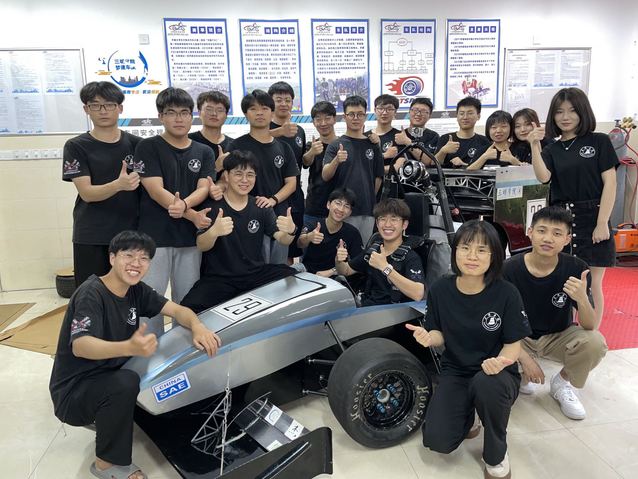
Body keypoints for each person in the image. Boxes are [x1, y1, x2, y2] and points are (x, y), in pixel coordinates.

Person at [49, 231, 221, 479]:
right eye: (128, 255)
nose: (136, 263)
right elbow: (81, 346)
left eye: (143, 258)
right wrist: (128, 348)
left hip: (105, 374)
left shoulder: (136, 291)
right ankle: (106, 465)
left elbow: (178, 310)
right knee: (126, 381)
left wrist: (198, 327)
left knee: (152, 368)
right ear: (112, 258)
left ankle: (111, 415)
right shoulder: (91, 293)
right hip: (73, 391)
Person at [406, 220, 531, 479]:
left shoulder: (507, 293)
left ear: (494, 255)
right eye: (465, 248)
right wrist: (429, 338)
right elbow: (438, 333)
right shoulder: (440, 289)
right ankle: (469, 412)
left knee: (487, 385)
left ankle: (496, 454)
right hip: (456, 371)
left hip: (496, 373)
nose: (472, 256)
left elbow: (513, 344)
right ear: (455, 252)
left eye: (482, 250)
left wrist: (501, 362)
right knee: (437, 440)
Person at [503, 206, 607, 420]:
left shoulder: (576, 268)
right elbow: (498, 322)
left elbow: (589, 326)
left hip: (557, 336)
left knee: (595, 342)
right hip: (520, 338)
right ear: (530, 232)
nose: (548, 238)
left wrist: (582, 299)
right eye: (542, 231)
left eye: (557, 233)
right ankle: (521, 375)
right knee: (488, 340)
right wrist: (525, 359)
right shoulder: (508, 269)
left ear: (567, 239)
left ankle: (562, 382)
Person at [530, 87, 618, 326]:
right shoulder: (552, 148)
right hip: (561, 220)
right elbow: (543, 177)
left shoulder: (599, 141)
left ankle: (592, 331)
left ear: (582, 112)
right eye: (559, 112)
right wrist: (534, 145)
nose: (565, 117)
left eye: (572, 110)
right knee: (561, 277)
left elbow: (610, 183)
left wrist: (602, 222)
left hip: (593, 216)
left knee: (592, 281)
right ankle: (563, 328)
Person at [135, 87, 214, 337]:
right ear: (161, 116)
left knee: (187, 298)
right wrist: (190, 213)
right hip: (154, 237)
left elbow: (204, 187)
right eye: (171, 113)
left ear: (192, 116)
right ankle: (150, 351)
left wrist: (185, 205)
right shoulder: (147, 147)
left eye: (184, 113)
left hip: (189, 238)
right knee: (151, 298)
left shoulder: (204, 151)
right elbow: (155, 189)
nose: (178, 119)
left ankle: (181, 350)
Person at [180, 151, 297, 313]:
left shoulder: (260, 206)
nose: (244, 180)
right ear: (226, 176)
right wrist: (214, 232)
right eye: (238, 174)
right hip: (220, 279)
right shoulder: (212, 207)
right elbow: (201, 245)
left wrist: (291, 231)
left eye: (250, 175)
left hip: (255, 274)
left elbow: (282, 238)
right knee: (188, 308)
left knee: (294, 277)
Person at [62, 81, 142, 287]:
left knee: (129, 293)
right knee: (91, 293)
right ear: (86, 109)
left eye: (109, 104)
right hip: (92, 234)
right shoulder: (76, 146)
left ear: (120, 108)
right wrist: (118, 185)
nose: (103, 111)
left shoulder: (137, 144)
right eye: (95, 105)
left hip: (130, 234)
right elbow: (87, 193)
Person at [228, 90, 299, 264]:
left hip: (279, 218)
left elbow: (291, 183)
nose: (259, 113)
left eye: (265, 108)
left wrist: (273, 200)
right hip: (247, 218)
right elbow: (227, 181)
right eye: (253, 109)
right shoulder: (236, 145)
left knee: (278, 270)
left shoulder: (284, 147)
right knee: (251, 268)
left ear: (272, 113)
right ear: (246, 114)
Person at [335, 198, 425, 305]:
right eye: (382, 219)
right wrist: (339, 260)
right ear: (377, 224)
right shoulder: (373, 250)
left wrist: (385, 267)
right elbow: (345, 271)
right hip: (366, 306)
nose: (387, 224)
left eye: (394, 219)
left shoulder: (411, 257)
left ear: (404, 225)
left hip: (393, 312)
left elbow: (418, 294)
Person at [322, 95, 384, 243]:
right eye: (351, 114)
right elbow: (325, 175)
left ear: (365, 116)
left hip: (367, 210)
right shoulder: (336, 145)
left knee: (363, 249)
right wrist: (336, 160)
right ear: (344, 117)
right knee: (341, 250)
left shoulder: (373, 145)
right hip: (342, 210)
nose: (356, 118)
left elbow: (378, 177)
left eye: (360, 114)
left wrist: (368, 197)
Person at [268, 81, 307, 260]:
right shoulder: (264, 129)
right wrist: (279, 132)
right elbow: (255, 140)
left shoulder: (299, 131)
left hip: (295, 197)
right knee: (270, 249)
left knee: (291, 250)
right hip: (271, 198)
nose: (283, 104)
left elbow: (302, 162)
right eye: (278, 100)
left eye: (288, 100)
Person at [298, 188, 363, 276]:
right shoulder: (314, 224)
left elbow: (358, 262)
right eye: (338, 203)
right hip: (307, 271)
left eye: (346, 206)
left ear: (350, 212)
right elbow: (300, 243)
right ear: (328, 204)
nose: (341, 209)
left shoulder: (352, 233)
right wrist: (309, 237)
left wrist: (332, 271)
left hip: (336, 275)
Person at [303, 101, 338, 224]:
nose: (323, 123)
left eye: (327, 118)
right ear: (313, 122)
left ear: (334, 119)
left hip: (339, 207)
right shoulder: (312, 145)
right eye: (318, 119)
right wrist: (312, 151)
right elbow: (306, 162)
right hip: (314, 207)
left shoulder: (343, 145)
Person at [189, 90, 233, 180]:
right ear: (199, 112)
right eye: (209, 109)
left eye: (220, 110)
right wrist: (216, 167)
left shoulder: (234, 145)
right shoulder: (187, 141)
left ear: (226, 115)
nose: (214, 114)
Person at [434, 97, 490, 168]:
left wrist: (463, 164)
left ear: (478, 116)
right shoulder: (445, 138)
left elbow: (485, 167)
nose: (465, 117)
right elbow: (433, 164)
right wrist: (443, 151)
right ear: (457, 116)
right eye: (461, 113)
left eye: (470, 113)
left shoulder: (484, 141)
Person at [394, 97, 440, 165]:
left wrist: (407, 142)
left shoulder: (434, 136)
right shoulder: (398, 136)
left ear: (429, 116)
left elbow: (429, 162)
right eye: (415, 110)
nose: (418, 114)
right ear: (409, 112)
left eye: (423, 111)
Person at [365, 94, 400, 174]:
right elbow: (360, 164)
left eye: (389, 109)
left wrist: (372, 170)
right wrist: (385, 155)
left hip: (391, 181)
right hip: (367, 181)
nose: (384, 112)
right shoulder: (365, 136)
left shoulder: (399, 136)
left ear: (395, 112)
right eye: (380, 108)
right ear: (375, 110)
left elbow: (398, 166)